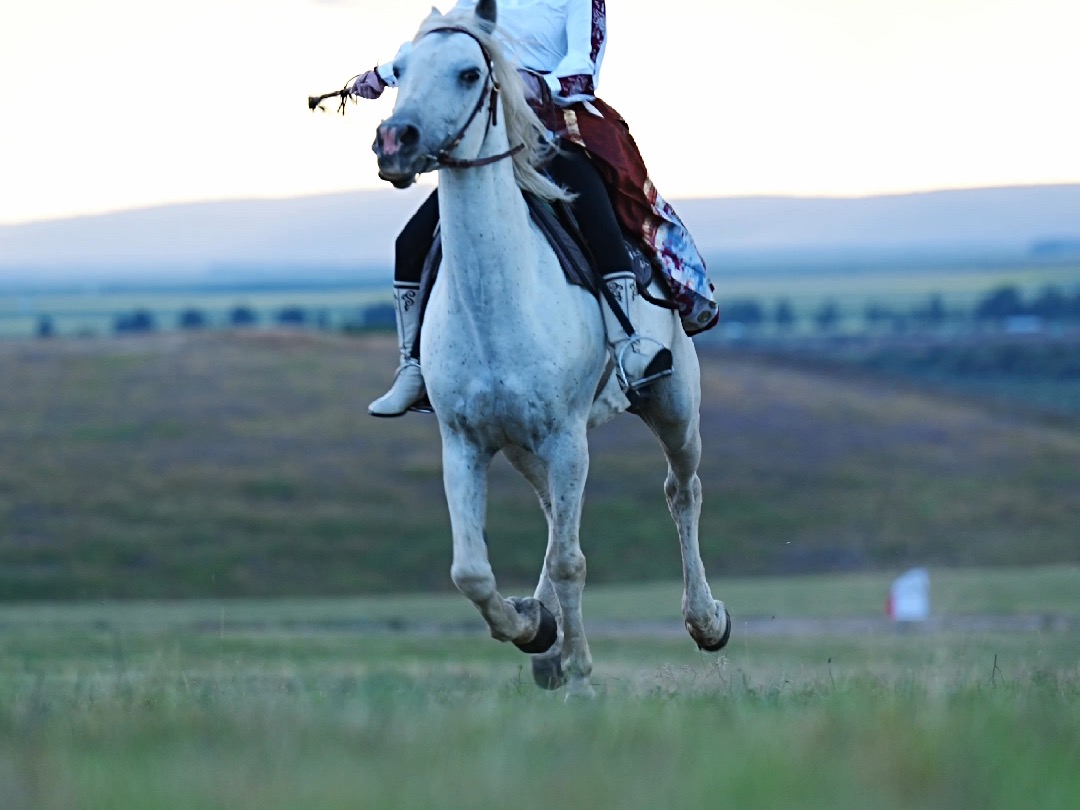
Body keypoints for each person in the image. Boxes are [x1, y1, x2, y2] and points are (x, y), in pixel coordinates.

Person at [350, 0, 718, 417]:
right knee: (410, 241)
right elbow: (443, 45)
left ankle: (629, 341)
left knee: (592, 207)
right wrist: (383, 76)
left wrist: (529, 85)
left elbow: (583, 68)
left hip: (554, 130)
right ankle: (413, 367)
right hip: (492, 135)